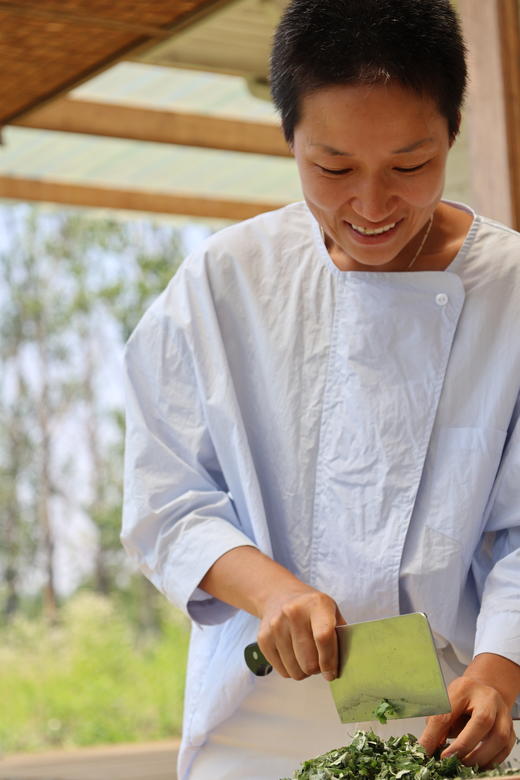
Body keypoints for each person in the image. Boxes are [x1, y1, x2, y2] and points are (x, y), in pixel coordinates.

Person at [121, 1, 520, 778]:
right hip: (256, 710)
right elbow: (165, 500)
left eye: (410, 166)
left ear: (453, 131)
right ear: (289, 138)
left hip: (459, 710)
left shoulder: (509, 290)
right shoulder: (225, 281)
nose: (371, 208)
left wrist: (502, 672)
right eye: (332, 168)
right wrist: (272, 594)